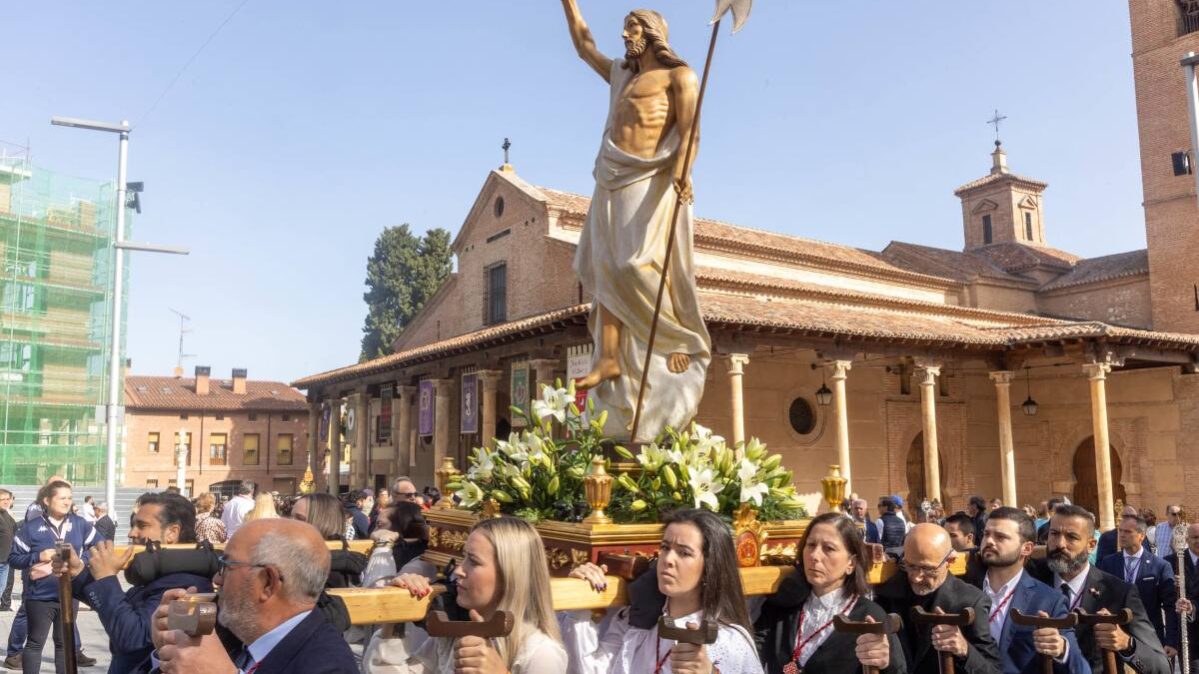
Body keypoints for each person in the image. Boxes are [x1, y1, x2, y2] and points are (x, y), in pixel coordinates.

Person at [559, 0, 712, 442]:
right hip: (610, 174)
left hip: (650, 181)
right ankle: (609, 356)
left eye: (632, 28)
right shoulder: (621, 75)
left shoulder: (679, 77)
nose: (625, 35)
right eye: (625, 28)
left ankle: (675, 338)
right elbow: (585, 47)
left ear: (651, 32)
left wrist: (683, 172)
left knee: (634, 265)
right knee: (605, 267)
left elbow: (691, 132)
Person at [562, 508, 762, 673]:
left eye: (684, 553)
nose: (667, 560)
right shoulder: (637, 621)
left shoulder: (729, 641)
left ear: (710, 566)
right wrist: (580, 603)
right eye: (665, 548)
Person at [151, 518, 358, 674]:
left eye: (226, 566)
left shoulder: (329, 665)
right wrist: (167, 653)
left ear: (268, 582)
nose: (217, 578)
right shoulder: (229, 634)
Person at [54, 492, 212, 673]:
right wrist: (78, 572)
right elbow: (120, 609)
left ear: (172, 532)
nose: (131, 533)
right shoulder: (162, 576)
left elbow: (133, 639)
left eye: (142, 526)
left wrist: (106, 579)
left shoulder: (190, 586)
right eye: (132, 525)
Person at [388, 516, 568, 673]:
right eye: (463, 557)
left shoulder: (540, 653)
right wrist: (396, 609)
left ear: (509, 575)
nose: (458, 570)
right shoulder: (455, 632)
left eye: (473, 561)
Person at [1026, 504, 1170, 674]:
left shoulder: (1118, 592)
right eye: (1054, 534)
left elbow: (1162, 666)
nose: (1060, 544)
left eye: (1071, 537)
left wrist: (1126, 643)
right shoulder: (1029, 578)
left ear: (1091, 545)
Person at [754, 512, 905, 673]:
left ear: (851, 563)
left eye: (829, 548)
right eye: (811, 545)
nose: (814, 555)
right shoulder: (783, 607)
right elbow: (751, 654)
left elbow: (898, 670)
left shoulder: (870, 616)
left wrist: (886, 663)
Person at [873, 523, 1002, 674]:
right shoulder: (886, 593)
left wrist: (964, 649)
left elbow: (992, 670)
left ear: (950, 561)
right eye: (910, 566)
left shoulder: (971, 602)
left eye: (928, 569)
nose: (916, 577)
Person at [976, 507, 1089, 674]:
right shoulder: (964, 589)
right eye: (986, 534)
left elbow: (1081, 669)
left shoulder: (1048, 600)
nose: (990, 541)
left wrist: (1061, 649)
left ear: (1027, 548)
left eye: (1001, 537)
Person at [7, 480, 97, 674]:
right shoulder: (31, 527)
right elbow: (13, 559)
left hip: (70, 594)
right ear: (47, 500)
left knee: (64, 644)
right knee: (34, 643)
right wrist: (38, 556)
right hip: (39, 597)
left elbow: (101, 545)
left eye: (70, 498)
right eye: (62, 498)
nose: (67, 502)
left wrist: (81, 560)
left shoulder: (80, 524)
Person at [1097, 513, 1179, 661]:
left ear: (1141, 536)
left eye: (1127, 532)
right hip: (1117, 637)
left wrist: (1171, 641)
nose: (1121, 535)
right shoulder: (1108, 563)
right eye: (1120, 531)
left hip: (1150, 637)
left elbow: (1170, 606)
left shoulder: (1159, 566)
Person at [290, 493, 367, 588]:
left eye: (299, 518)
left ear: (323, 522)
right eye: (291, 517)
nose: (290, 523)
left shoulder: (329, 571)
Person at [1166, 522, 1199, 673]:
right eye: (1195, 537)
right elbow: (1165, 598)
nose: (1198, 541)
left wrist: (1193, 607)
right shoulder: (1171, 562)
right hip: (1186, 636)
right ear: (1186, 539)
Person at [0, 490, 14, 614]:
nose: (5, 501)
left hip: (5, 560)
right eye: (2, 499)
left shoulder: (6, 515)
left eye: (7, 499)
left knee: (1, 588)